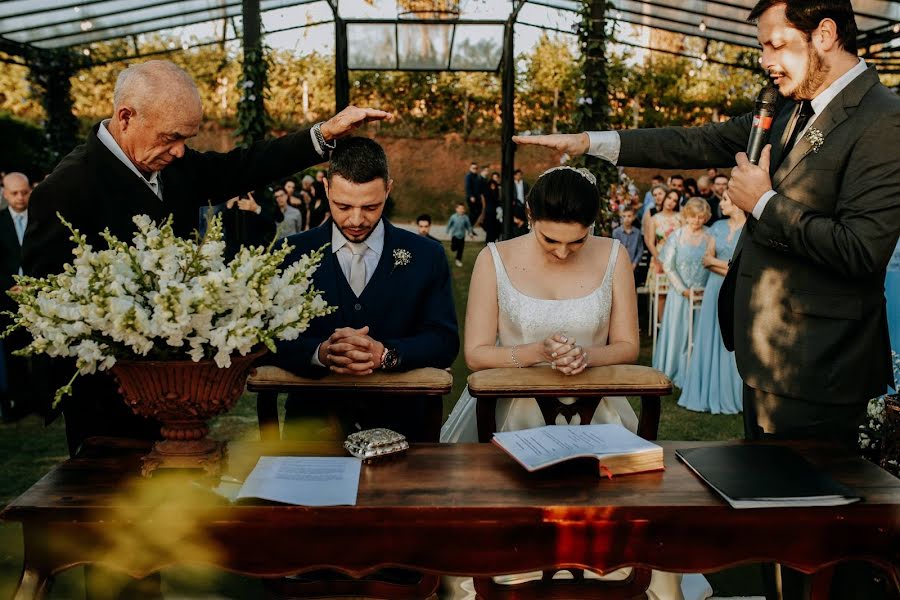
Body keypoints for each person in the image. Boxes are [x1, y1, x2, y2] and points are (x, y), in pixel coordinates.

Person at [514, 2, 900, 596]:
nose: (766, 60)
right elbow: (693, 141)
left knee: (816, 545)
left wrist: (765, 202)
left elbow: (861, 249)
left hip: (821, 369)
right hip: (762, 358)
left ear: (824, 35)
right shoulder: (791, 106)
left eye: (776, 44)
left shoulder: (883, 119)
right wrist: (593, 141)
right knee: (771, 531)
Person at [23, 59, 391, 458]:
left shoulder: (170, 162)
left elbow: (242, 165)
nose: (181, 151)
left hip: (185, 388)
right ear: (125, 117)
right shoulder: (67, 189)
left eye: (188, 138)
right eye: (172, 137)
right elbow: (48, 306)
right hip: (109, 403)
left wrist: (323, 134)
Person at [440, 166, 708, 600]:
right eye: (550, 241)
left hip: (598, 410)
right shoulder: (494, 258)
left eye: (576, 241)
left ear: (593, 225)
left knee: (617, 521)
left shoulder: (614, 254)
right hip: (510, 412)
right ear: (529, 215)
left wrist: (587, 356)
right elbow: (475, 355)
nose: (564, 253)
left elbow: (625, 346)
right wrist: (534, 353)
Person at [273, 137, 458, 442]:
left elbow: (444, 339)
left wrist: (385, 355)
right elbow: (272, 338)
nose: (356, 220)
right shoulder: (288, 253)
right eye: (343, 205)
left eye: (371, 206)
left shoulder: (427, 255)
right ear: (326, 188)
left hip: (406, 430)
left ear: (388, 189)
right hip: (311, 431)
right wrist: (320, 353)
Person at [679, 191, 745, 414]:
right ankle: (704, 393)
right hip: (713, 289)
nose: (722, 204)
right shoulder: (717, 227)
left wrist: (730, 268)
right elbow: (706, 261)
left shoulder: (750, 229)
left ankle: (730, 394)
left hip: (735, 291)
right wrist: (730, 268)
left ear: (736, 202)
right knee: (708, 337)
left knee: (731, 340)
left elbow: (744, 269)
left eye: (726, 199)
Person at [652, 198, 711, 388]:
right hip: (680, 295)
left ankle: (695, 373)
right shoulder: (676, 236)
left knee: (699, 334)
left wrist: (705, 289)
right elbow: (668, 266)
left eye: (701, 218)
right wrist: (682, 289)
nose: (697, 221)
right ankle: (674, 369)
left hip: (703, 295)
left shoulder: (710, 236)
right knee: (678, 334)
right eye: (693, 217)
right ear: (687, 215)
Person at [0, 173, 33, 420]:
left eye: (24, 192)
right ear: (5, 194)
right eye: (14, 193)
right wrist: (8, 286)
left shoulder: (42, 218)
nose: (20, 197)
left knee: (44, 350)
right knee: (14, 351)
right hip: (8, 297)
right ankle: (20, 402)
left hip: (38, 294)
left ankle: (45, 402)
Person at [611, 205, 644, 273]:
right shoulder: (616, 232)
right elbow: (614, 250)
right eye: (624, 216)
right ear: (621, 217)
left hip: (633, 266)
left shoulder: (637, 233)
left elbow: (640, 249)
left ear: (634, 217)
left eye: (629, 216)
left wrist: (634, 263)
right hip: (619, 266)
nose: (626, 218)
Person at [447, 202, 475, 267]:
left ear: (464, 210)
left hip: (462, 236)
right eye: (459, 208)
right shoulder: (453, 217)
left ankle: (458, 260)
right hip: (454, 236)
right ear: (456, 209)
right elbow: (449, 224)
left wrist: (470, 233)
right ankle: (454, 248)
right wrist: (447, 232)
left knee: (461, 249)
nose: (460, 210)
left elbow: (469, 226)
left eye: (462, 208)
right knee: (453, 248)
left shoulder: (465, 218)